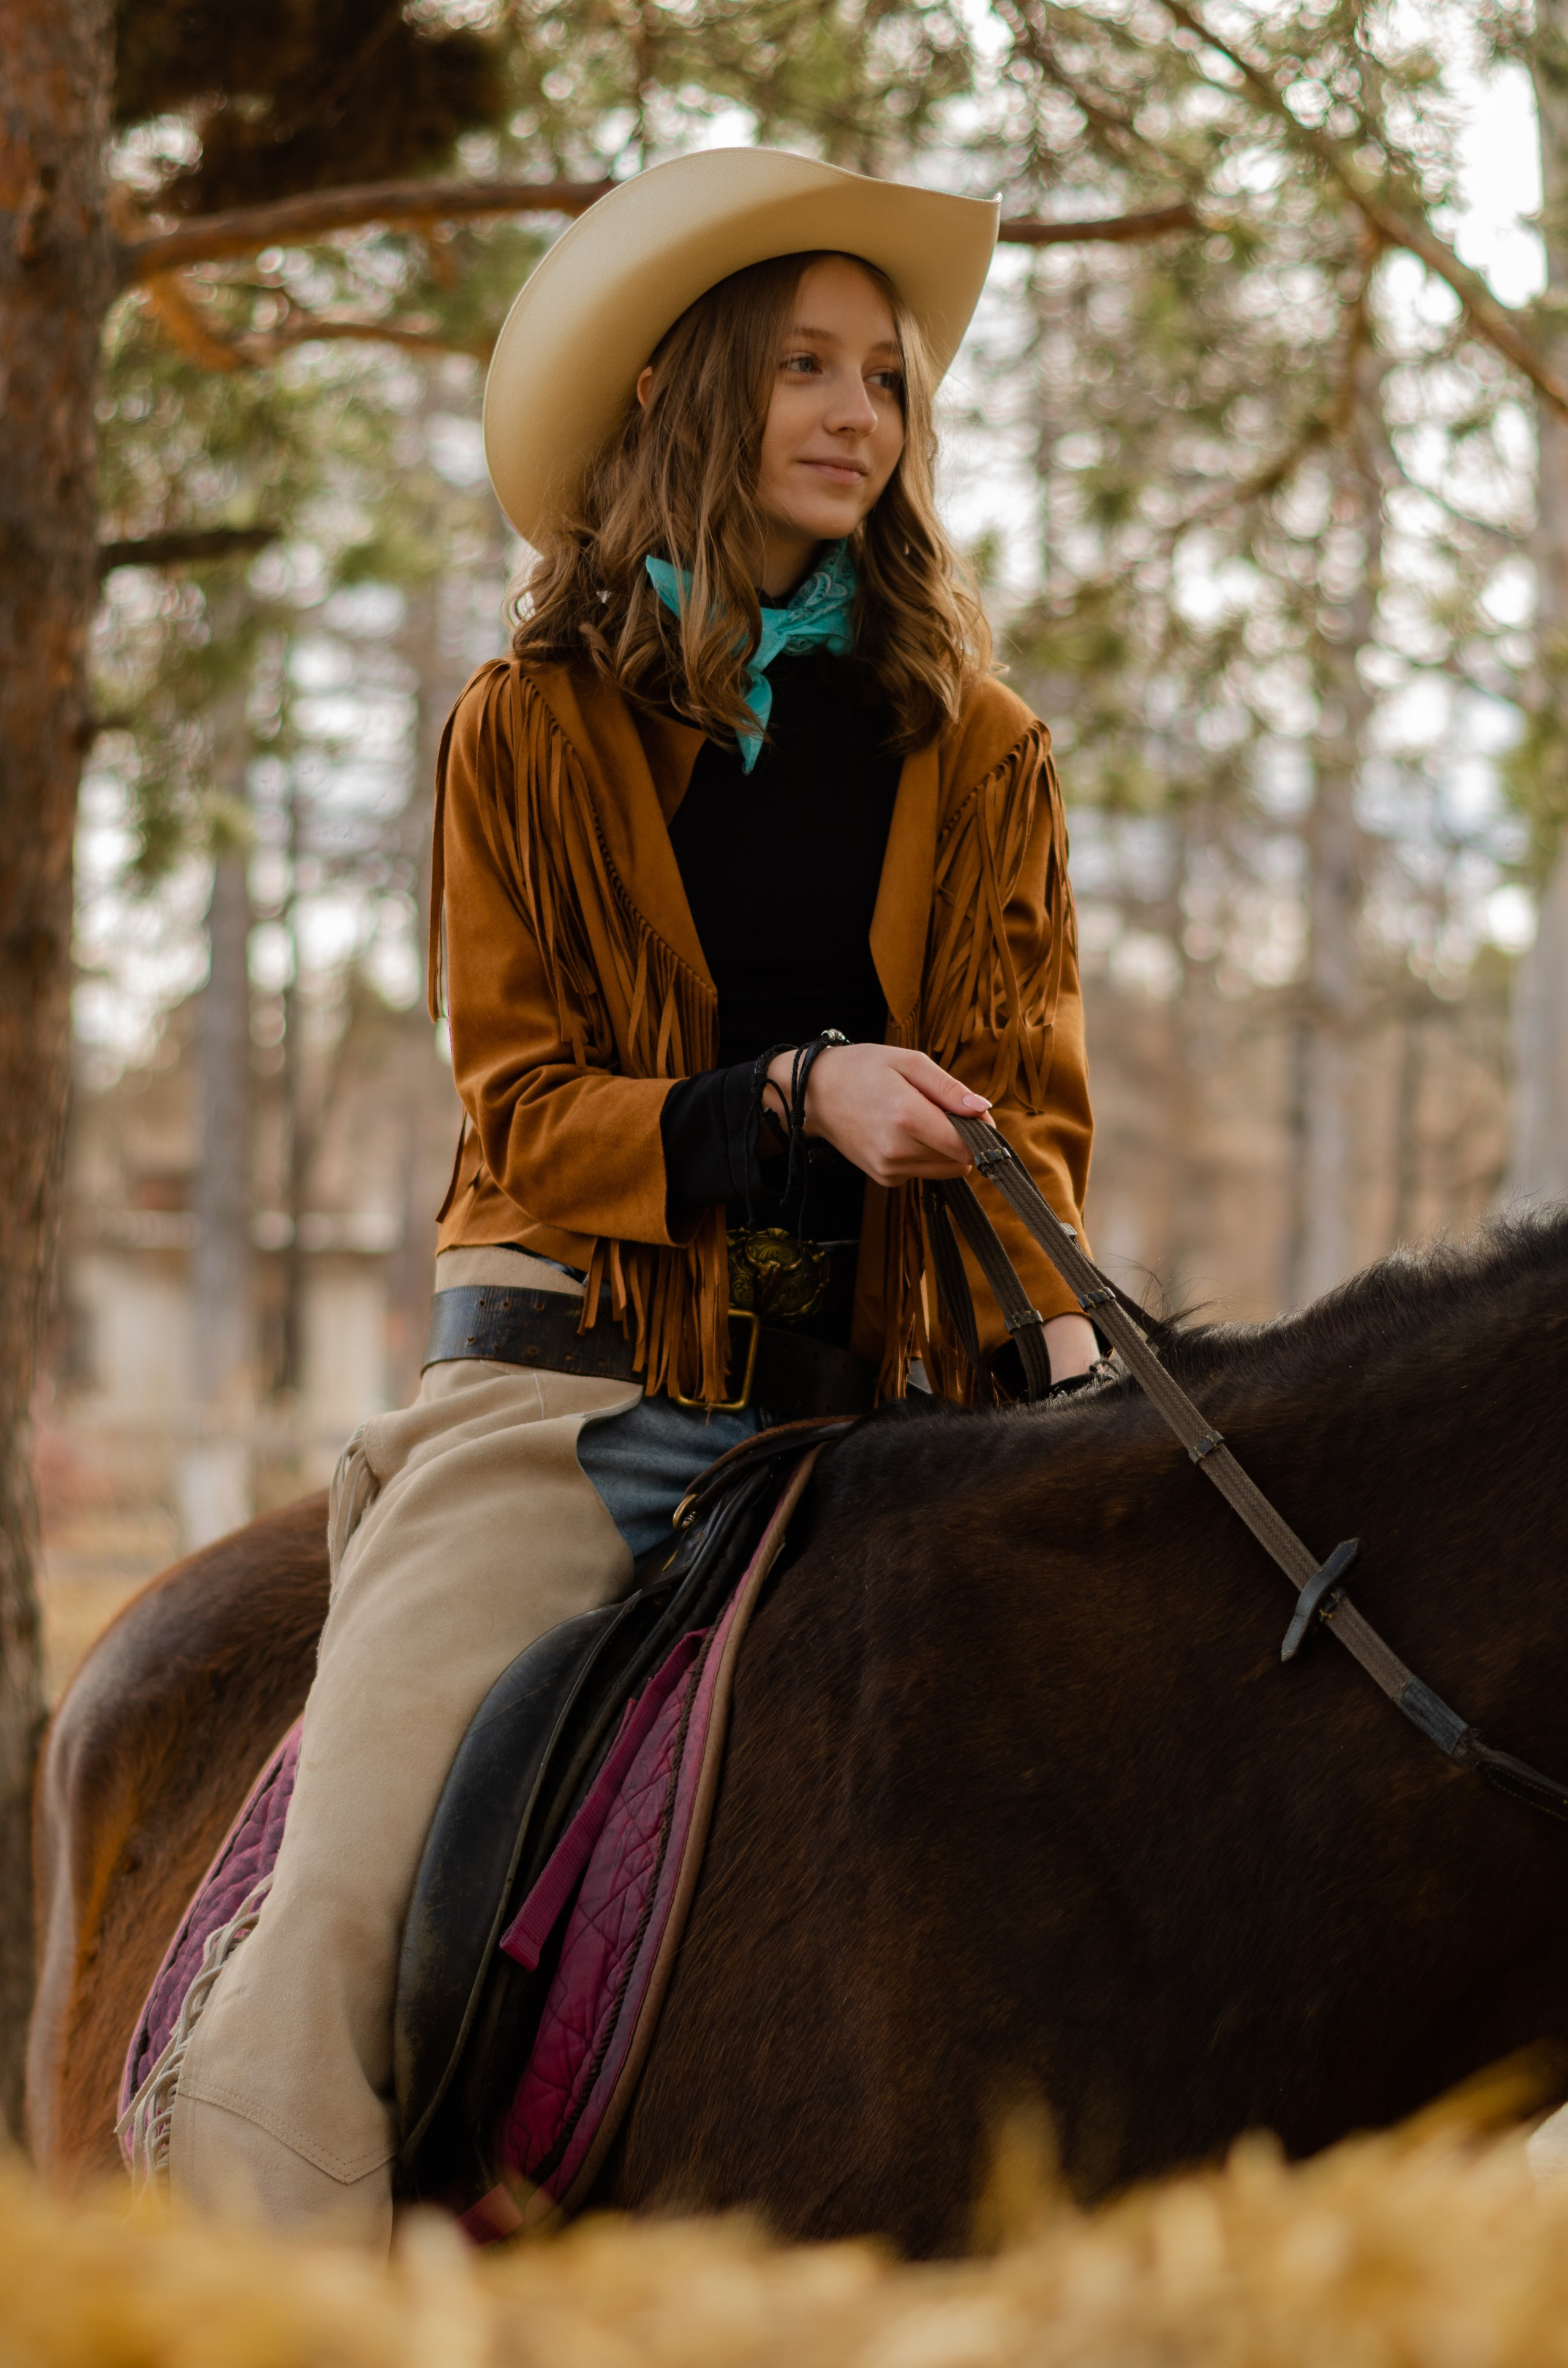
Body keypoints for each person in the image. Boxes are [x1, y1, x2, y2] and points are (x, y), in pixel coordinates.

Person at [164, 145, 1098, 2249]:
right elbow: (523, 1111)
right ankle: (250, 2283)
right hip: (574, 1398)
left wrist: (1052, 1354)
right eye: (805, 368)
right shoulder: (530, 729)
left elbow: (1032, 1104)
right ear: (692, 395)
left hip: (884, 1409)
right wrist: (788, 1096)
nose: (861, 410)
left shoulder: (988, 750)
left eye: (887, 375)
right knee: (344, 1893)